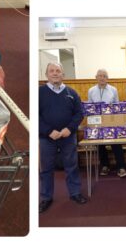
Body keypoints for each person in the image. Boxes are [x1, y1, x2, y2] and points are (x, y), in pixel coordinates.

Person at [39, 62, 87, 212]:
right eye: (51, 71)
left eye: (58, 71)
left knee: (72, 166)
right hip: (47, 138)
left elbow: (79, 114)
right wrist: (48, 131)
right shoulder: (39, 93)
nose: (55, 73)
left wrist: (69, 128)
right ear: (46, 74)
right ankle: (46, 198)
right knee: (46, 169)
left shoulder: (72, 93)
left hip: (68, 137)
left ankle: (75, 193)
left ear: (63, 74)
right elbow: (34, 115)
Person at [87, 68, 126, 178]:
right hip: (97, 122)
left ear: (107, 78)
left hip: (111, 121)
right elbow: (89, 107)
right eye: (100, 75)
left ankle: (121, 167)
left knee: (117, 144)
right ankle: (105, 166)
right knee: (101, 145)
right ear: (96, 77)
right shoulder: (91, 90)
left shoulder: (113, 90)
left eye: (104, 76)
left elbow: (117, 106)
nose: (102, 78)